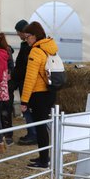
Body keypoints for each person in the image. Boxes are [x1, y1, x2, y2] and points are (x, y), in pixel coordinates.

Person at [20, 21, 58, 169]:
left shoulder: (36, 51)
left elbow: (30, 78)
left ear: (34, 36)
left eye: (28, 37)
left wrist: (24, 101)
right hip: (50, 91)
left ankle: (44, 161)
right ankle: (44, 157)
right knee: (45, 127)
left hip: (39, 94)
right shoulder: (50, 48)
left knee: (41, 128)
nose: (26, 40)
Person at [13, 19, 37, 145]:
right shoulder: (28, 45)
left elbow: (22, 66)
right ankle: (32, 132)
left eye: (18, 32)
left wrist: (14, 77)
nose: (18, 35)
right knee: (29, 108)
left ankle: (33, 134)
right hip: (26, 81)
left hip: (27, 82)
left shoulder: (29, 47)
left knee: (27, 108)